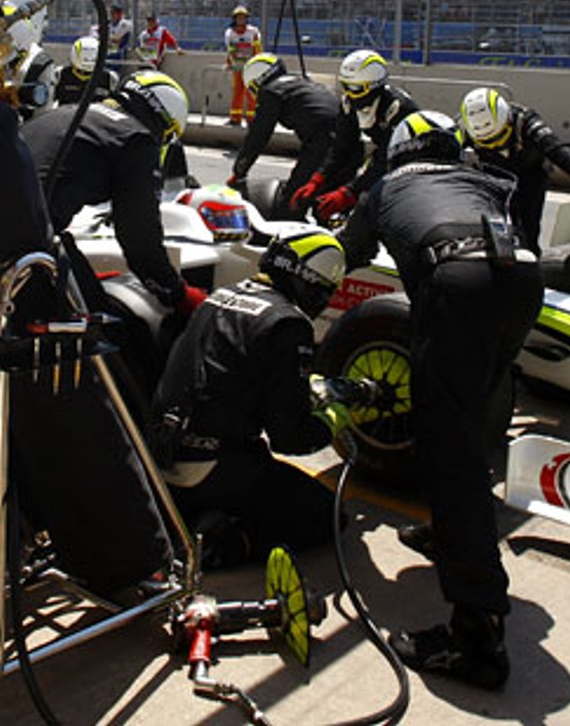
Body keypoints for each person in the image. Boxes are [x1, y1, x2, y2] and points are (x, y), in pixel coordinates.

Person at [337, 111, 542, 690]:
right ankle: (451, 529)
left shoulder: (386, 187)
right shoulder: (487, 179)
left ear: (399, 151)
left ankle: (477, 638)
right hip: (523, 283)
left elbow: (345, 255)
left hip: (456, 284)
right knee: (473, 414)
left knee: (447, 449)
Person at [147, 229, 354, 568]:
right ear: (312, 284)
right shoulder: (288, 324)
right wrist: (331, 421)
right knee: (328, 514)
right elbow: (290, 438)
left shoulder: (219, 297)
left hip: (162, 457)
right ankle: (227, 544)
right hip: (217, 469)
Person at [20, 70, 205, 316]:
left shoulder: (68, 113)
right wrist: (177, 292)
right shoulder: (135, 138)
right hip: (25, 245)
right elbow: (140, 240)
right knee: (99, 328)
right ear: (164, 123)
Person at [457, 87, 570, 252]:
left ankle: (530, 259)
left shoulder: (525, 119)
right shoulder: (462, 127)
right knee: (488, 228)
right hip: (492, 175)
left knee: (528, 230)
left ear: (507, 120)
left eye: (498, 138)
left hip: (530, 174)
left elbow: (556, 148)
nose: (496, 146)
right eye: (487, 143)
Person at [228, 53, 341, 220]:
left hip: (321, 142)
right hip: (347, 138)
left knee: (292, 203)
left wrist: (239, 171)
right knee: (325, 201)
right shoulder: (301, 82)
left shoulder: (271, 92)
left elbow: (258, 136)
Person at [314, 49, 419, 223]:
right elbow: (342, 146)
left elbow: (384, 161)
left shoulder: (398, 108)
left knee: (373, 197)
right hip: (385, 153)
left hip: (410, 157)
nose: (350, 94)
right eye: (345, 87)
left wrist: (349, 192)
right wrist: (319, 177)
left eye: (355, 89)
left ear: (374, 85)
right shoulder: (348, 103)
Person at [222, 5, 262, 125]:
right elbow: (230, 51)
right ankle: (235, 118)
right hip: (238, 66)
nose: (241, 20)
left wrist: (258, 64)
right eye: (239, 17)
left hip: (251, 66)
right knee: (238, 91)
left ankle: (251, 118)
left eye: (243, 17)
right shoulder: (230, 33)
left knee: (251, 92)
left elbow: (257, 49)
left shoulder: (253, 32)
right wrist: (229, 64)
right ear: (234, 19)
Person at [52, 36, 110, 108]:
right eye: (86, 58)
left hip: (95, 117)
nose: (88, 60)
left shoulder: (109, 78)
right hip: (66, 117)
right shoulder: (60, 74)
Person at [103, 3, 135, 74]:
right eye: (111, 13)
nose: (112, 16)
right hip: (108, 51)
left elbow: (118, 39)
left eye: (114, 13)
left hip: (118, 52)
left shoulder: (125, 24)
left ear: (120, 14)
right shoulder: (109, 24)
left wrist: (111, 39)